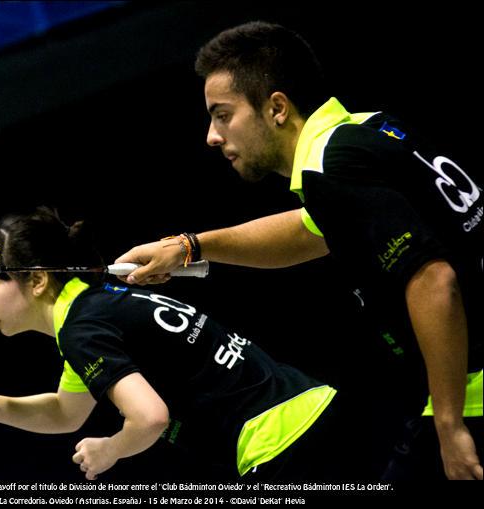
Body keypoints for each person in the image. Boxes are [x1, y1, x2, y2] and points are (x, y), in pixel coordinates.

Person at [114, 21, 482, 480]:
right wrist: (189, 247)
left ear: (277, 108)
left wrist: (450, 423)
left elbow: (433, 279)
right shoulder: (366, 131)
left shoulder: (332, 169)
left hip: (471, 393)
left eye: (223, 114)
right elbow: (309, 232)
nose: (211, 135)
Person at [0, 207, 341, 480]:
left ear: (38, 279)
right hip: (318, 408)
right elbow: (66, 412)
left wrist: (110, 450)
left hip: (283, 447)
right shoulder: (95, 305)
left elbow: (150, 418)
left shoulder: (82, 329)